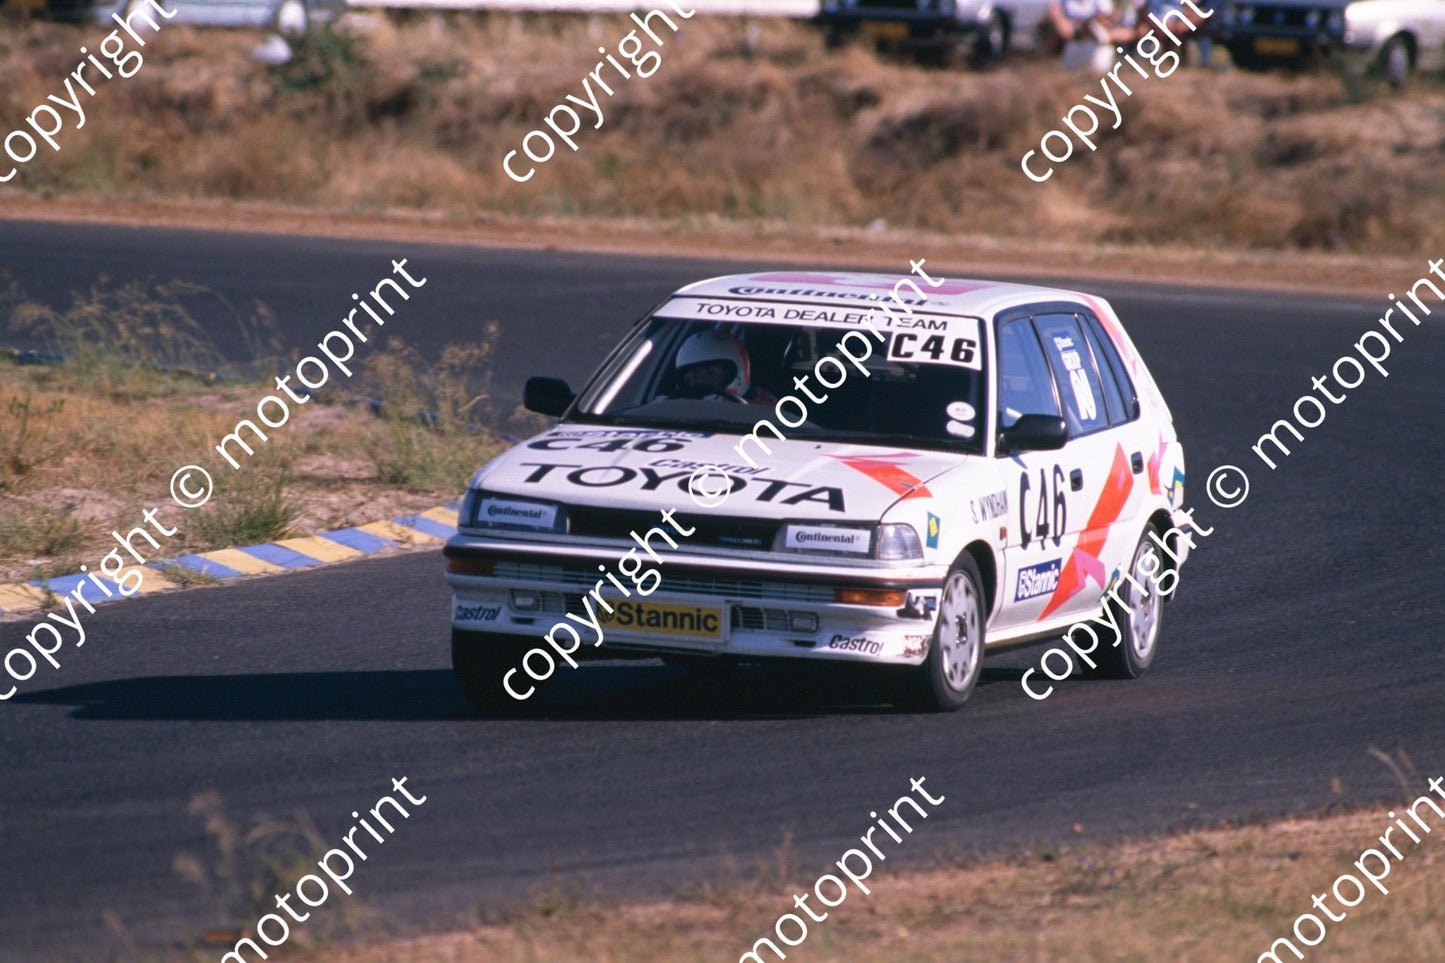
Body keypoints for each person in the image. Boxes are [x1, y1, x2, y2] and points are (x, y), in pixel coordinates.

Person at [668, 329, 776, 404]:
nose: (702, 380)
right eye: (694, 373)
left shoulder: (765, 405)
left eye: (712, 371)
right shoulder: (668, 408)